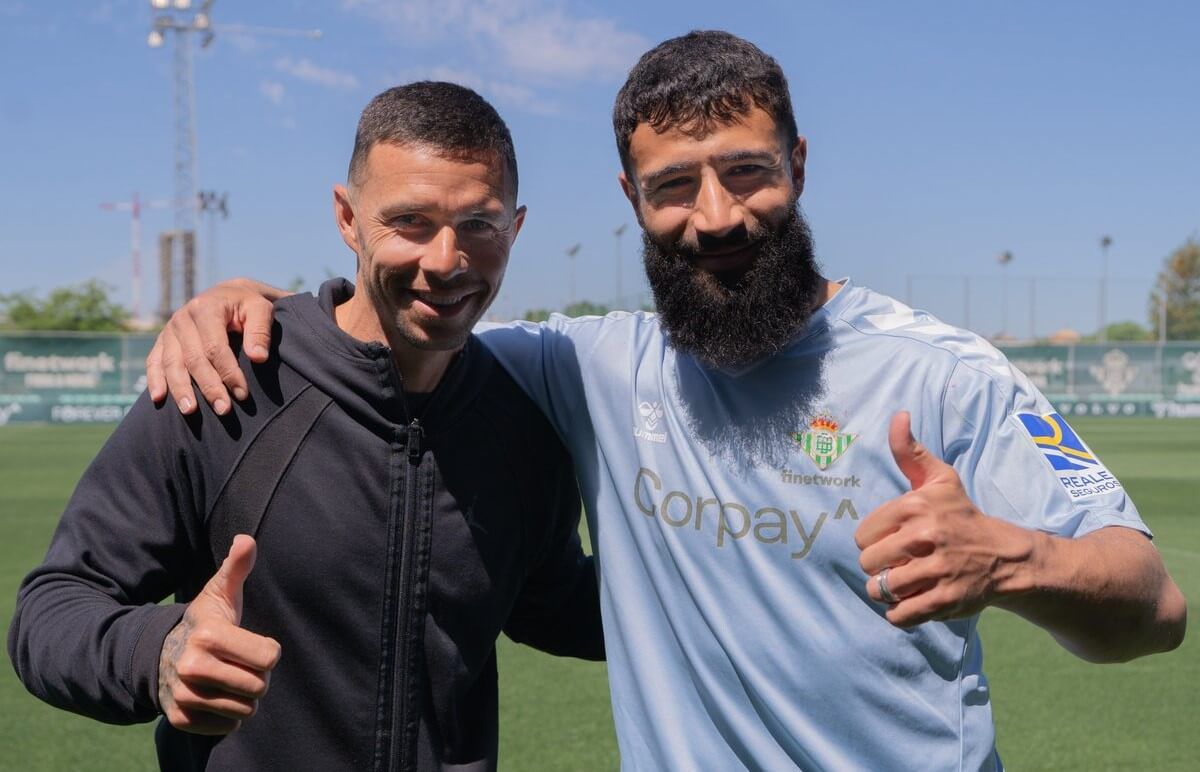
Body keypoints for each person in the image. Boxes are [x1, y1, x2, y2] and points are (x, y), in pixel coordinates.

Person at [141, 31, 1186, 770]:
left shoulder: (941, 372)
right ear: (631, 200)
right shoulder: (590, 366)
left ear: (800, 165)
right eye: (673, 185)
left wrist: (1015, 560)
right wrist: (251, 304)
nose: (717, 215)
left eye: (747, 171)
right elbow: (396, 319)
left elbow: (1154, 607)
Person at [8, 82, 604, 771]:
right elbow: (52, 610)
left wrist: (726, 579)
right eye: (409, 220)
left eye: (480, 223)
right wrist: (159, 651)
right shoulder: (228, 380)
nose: (446, 259)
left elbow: (550, 600)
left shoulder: (520, 421)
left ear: (517, 227)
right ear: (347, 218)